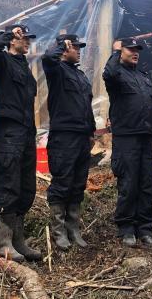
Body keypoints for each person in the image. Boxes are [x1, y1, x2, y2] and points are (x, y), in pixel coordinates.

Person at [0, 24, 42, 261]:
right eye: (24, 37)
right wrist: (10, 33)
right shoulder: (3, 60)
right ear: (13, 40)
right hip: (9, 131)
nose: (28, 41)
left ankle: (18, 239)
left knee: (26, 186)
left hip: (27, 131)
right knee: (8, 183)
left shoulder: (24, 66)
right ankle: (3, 243)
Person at [103, 37, 152, 247]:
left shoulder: (144, 78)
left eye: (137, 50)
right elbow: (108, 73)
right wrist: (115, 52)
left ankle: (145, 229)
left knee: (147, 184)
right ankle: (126, 228)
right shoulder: (116, 76)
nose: (135, 53)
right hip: (126, 138)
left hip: (145, 138)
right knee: (128, 183)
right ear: (120, 52)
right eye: (130, 49)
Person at [42, 34, 95, 250]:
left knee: (78, 183)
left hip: (82, 136)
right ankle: (59, 230)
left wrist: (91, 132)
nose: (79, 50)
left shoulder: (80, 76)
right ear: (65, 49)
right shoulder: (57, 71)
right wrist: (59, 47)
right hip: (64, 136)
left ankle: (74, 228)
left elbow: (86, 106)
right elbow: (47, 59)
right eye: (75, 47)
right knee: (62, 182)